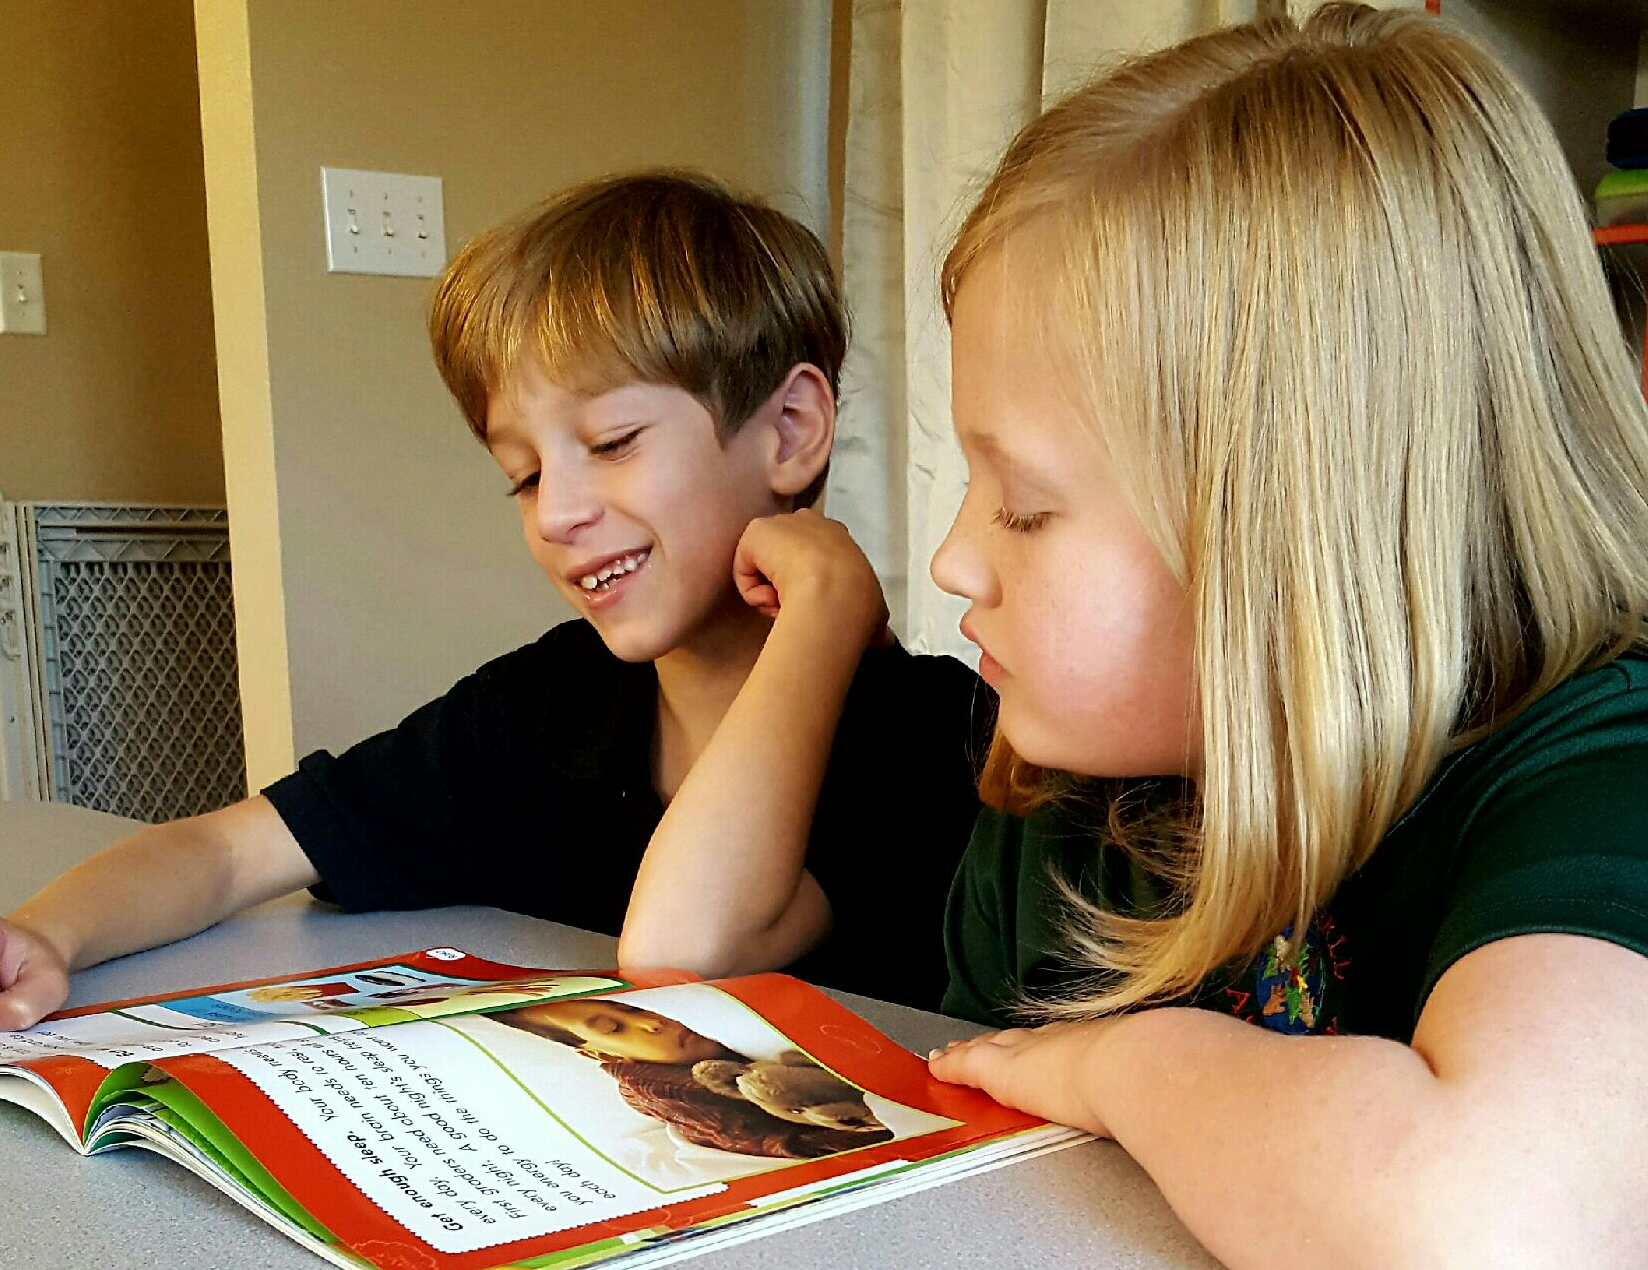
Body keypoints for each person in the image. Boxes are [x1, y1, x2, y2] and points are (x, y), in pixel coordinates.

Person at [920, 5, 1648, 1270]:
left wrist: (1118, 1064)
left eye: (1023, 505)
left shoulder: (1599, 773)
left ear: (1301, 533)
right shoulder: (1075, 782)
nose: (956, 554)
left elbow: (1494, 1243)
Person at [0, 172, 992, 1032]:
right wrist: (45, 934)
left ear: (788, 431)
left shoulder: (932, 737)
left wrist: (822, 600)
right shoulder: (546, 704)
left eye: (610, 444)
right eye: (521, 476)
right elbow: (223, 853)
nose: (557, 513)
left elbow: (685, 952)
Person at [489, 997, 890, 1160]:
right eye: (615, 1029)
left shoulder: (709, 1021)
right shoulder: (656, 1086)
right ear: (599, 1053)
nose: (651, 1022)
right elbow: (764, 1138)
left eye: (631, 1007)